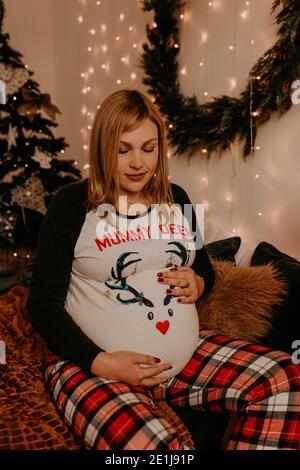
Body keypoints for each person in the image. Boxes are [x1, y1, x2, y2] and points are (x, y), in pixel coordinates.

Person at [27, 89, 300, 450]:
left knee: (285, 378)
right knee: (162, 450)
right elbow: (43, 303)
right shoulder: (72, 205)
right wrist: (101, 362)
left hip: (183, 359)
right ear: (102, 148)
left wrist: (199, 282)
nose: (138, 162)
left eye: (148, 148)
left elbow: (203, 267)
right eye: (123, 150)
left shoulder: (178, 198)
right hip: (92, 366)